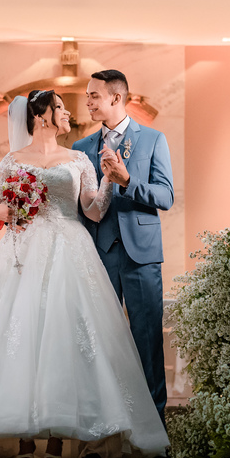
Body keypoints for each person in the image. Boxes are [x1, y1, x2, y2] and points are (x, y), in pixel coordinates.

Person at [0, 89, 170, 458]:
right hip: (22, 251)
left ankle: (58, 439)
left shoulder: (79, 158)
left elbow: (94, 211)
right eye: (61, 108)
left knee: (65, 336)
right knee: (20, 332)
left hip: (70, 246)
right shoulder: (13, 160)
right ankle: (20, 438)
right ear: (41, 117)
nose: (69, 113)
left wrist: (110, 179)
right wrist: (15, 206)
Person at [73, 70, 174, 424]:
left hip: (141, 254)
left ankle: (153, 430)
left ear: (116, 98)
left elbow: (166, 196)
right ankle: (101, 428)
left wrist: (128, 181)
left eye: (94, 96)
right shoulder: (80, 148)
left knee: (148, 341)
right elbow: (78, 207)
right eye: (87, 95)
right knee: (96, 342)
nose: (87, 101)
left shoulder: (152, 139)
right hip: (98, 254)